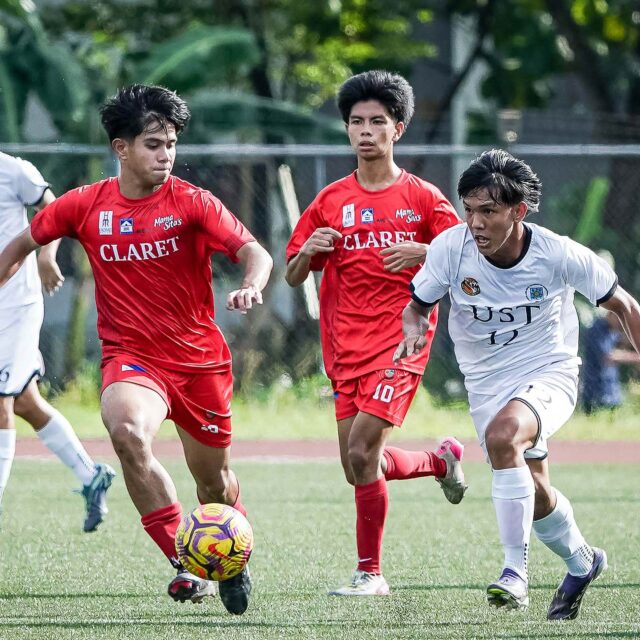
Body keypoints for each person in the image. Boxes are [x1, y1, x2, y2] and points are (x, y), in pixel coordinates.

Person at [0, 85, 273, 615]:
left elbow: (253, 251)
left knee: (213, 482)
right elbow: (18, 246)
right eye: (153, 144)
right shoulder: (85, 205)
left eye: (170, 143)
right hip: (131, 359)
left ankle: (232, 557)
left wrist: (253, 283)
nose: (165, 155)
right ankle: (186, 564)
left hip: (199, 361)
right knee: (126, 431)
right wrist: (33, 263)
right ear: (120, 148)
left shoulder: (193, 201)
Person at [394, 148, 640, 619]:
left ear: (518, 211)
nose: (476, 222)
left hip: (550, 370)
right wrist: (412, 326)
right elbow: (418, 305)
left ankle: (514, 572)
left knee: (504, 436)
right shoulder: (450, 248)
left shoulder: (558, 253)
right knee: (536, 488)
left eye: (488, 211)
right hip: (486, 381)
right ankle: (582, 562)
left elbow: (624, 306)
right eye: (469, 209)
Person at [285, 70, 468, 597]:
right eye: (357, 122)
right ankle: (439, 460)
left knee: (363, 453)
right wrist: (308, 251)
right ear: (347, 130)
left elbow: (467, 260)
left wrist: (426, 252)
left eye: (377, 122)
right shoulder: (329, 200)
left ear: (398, 129)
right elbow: (294, 273)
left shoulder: (424, 199)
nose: (366, 131)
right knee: (357, 464)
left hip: (403, 340)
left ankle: (371, 574)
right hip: (343, 346)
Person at [0, 151, 115, 533]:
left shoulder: (13, 170)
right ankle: (90, 474)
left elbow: (56, 212)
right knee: (23, 401)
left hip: (14, 305)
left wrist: (48, 258)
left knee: (0, 398)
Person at [582, 310, 640, 413]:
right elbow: (608, 357)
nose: (621, 323)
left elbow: (623, 344)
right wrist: (635, 358)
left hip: (612, 392)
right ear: (612, 313)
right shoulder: (596, 329)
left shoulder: (612, 330)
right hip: (595, 393)